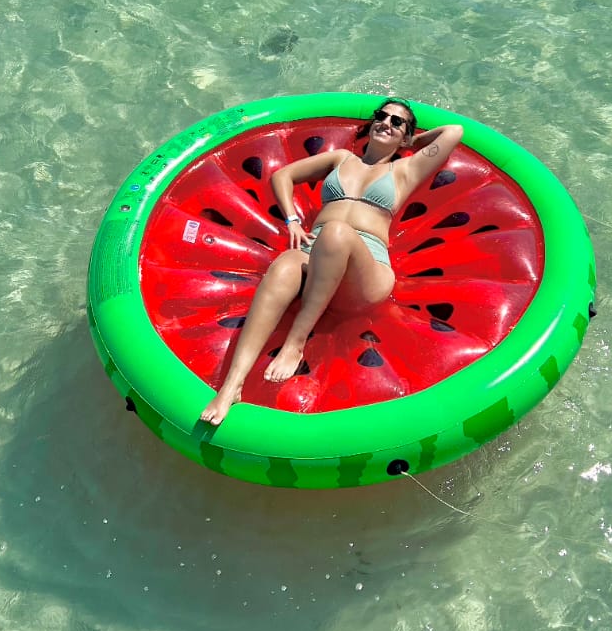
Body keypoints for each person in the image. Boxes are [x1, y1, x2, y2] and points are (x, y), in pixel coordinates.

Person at [199, 99, 464, 427]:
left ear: (405, 135)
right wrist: (292, 220)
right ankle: (231, 386)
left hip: (365, 270)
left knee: (337, 232)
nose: (386, 123)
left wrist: (412, 142)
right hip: (316, 253)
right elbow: (283, 176)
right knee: (285, 263)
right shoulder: (341, 159)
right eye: (382, 116)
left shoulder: (406, 169)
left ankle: (296, 341)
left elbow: (454, 131)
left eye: (397, 122)